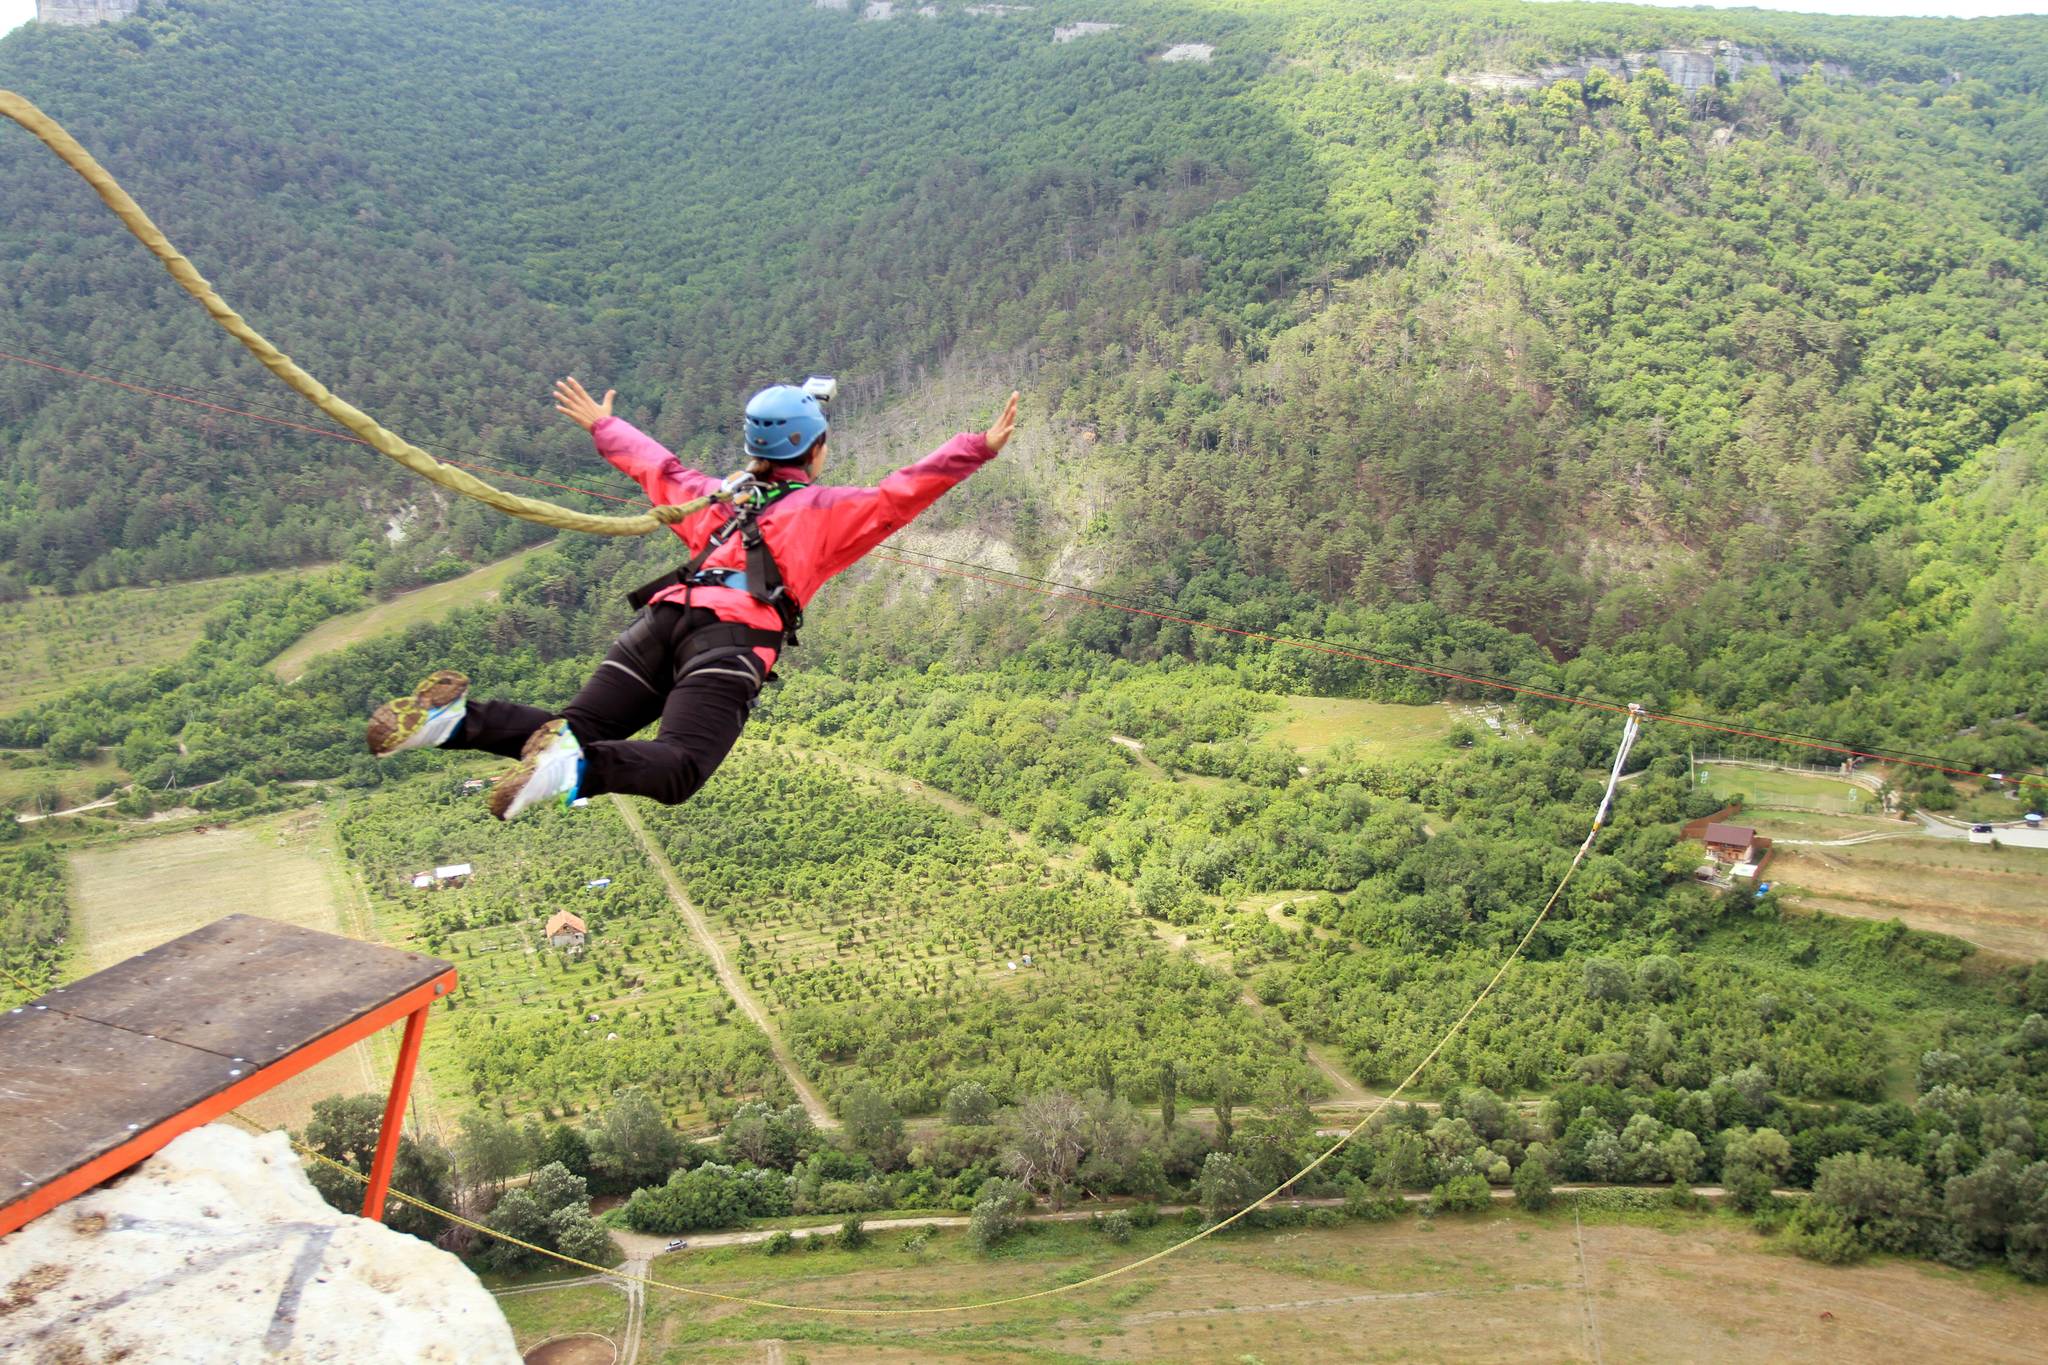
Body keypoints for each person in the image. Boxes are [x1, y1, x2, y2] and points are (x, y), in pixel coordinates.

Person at [365, 376, 1019, 818]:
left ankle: (449, 721)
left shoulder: (719, 498)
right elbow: (898, 494)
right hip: (727, 643)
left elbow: (661, 469)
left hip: (658, 624)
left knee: (577, 728)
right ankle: (569, 770)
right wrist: (978, 448)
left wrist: (605, 425)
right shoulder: (825, 509)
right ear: (815, 451)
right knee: (676, 770)